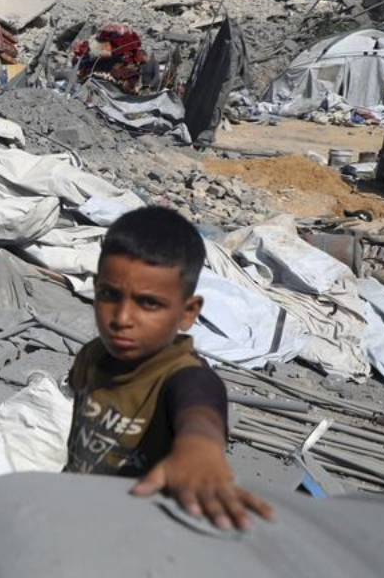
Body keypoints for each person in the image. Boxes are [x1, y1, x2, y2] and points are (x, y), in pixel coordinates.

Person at [65, 206, 274, 531]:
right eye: (109, 294)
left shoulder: (183, 375)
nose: (121, 318)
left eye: (148, 303)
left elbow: (200, 407)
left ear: (188, 312)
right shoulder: (92, 357)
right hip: (76, 509)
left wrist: (200, 448)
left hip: (138, 532)